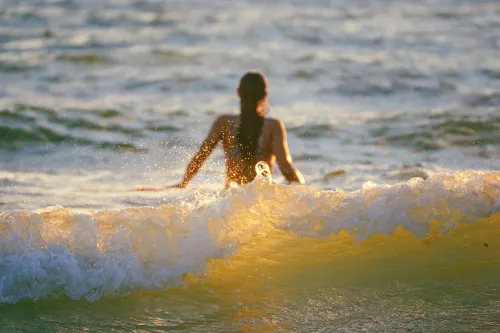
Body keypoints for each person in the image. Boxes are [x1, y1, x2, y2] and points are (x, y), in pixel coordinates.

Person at [138, 71, 304, 191]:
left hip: (231, 200)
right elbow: (286, 168)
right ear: (265, 96)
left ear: (238, 93)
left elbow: (201, 156)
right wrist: (309, 194)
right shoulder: (273, 126)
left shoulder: (223, 122)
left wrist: (183, 183)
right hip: (261, 199)